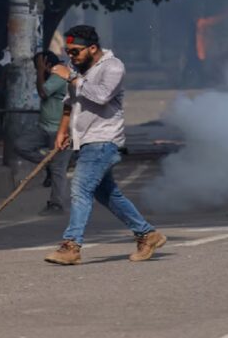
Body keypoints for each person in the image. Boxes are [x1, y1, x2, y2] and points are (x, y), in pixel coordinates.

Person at [44, 25, 166, 265]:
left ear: (92, 48)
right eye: (69, 51)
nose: (72, 56)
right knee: (106, 193)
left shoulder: (113, 67)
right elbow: (69, 103)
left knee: (80, 189)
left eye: (76, 51)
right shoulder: (77, 70)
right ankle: (147, 234)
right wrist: (62, 132)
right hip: (85, 141)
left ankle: (71, 245)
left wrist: (72, 77)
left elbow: (101, 96)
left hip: (104, 140)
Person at [13, 51, 71, 216]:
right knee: (21, 145)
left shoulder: (58, 74)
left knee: (59, 168)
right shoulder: (50, 76)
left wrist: (40, 71)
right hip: (44, 128)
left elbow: (43, 92)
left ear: (45, 63)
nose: (36, 69)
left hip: (60, 131)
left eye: (38, 65)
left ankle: (56, 204)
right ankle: (47, 164)